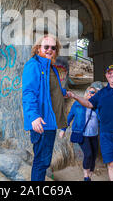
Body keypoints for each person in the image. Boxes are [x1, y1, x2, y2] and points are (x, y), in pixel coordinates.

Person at [22, 34, 74, 181]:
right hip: (41, 121)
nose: (50, 50)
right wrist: (33, 116)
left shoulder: (51, 68)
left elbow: (49, 90)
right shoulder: (33, 65)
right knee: (41, 162)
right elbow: (29, 93)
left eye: (53, 47)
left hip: (50, 122)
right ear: (38, 48)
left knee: (44, 162)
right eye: (46, 47)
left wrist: (63, 93)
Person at [60, 86, 100, 181]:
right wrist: (63, 129)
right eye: (89, 92)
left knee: (94, 155)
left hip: (94, 135)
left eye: (93, 93)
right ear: (85, 93)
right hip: (81, 134)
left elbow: (102, 118)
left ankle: (89, 176)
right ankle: (86, 176)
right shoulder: (77, 103)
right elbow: (70, 117)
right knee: (88, 154)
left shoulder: (97, 106)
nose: (90, 94)